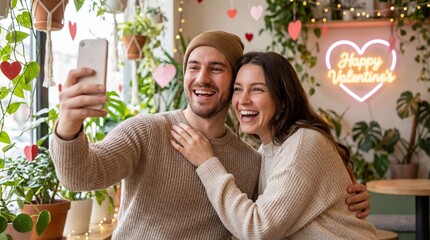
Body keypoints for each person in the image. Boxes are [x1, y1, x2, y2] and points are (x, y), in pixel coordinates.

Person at [50, 30, 370, 239]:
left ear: (233, 82)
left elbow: (264, 220)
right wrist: (68, 125)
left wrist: (342, 198)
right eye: (193, 66)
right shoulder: (147, 130)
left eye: (216, 68)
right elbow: (80, 178)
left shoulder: (251, 161)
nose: (202, 78)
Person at [170, 51, 378, 239]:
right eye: (238, 89)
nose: (243, 100)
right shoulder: (268, 150)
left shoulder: (303, 143)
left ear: (283, 101)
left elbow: (257, 229)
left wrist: (207, 162)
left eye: (257, 90)